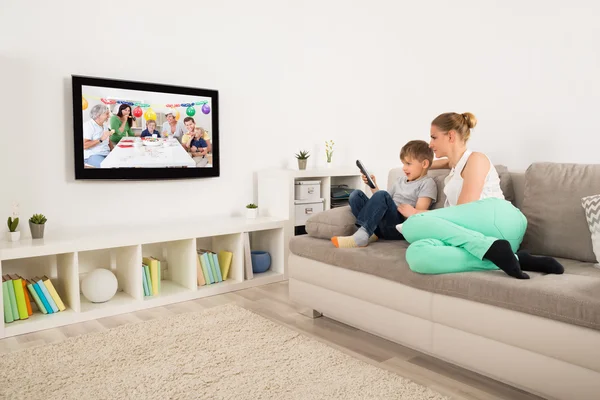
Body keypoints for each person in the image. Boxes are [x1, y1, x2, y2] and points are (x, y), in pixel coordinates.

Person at [401, 112, 564, 279]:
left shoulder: (476, 159)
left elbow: (464, 211)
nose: (430, 144)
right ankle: (511, 258)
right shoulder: (455, 165)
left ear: (450, 136)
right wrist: (418, 166)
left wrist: (416, 214)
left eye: (434, 137)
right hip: (480, 235)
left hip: (500, 220)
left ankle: (493, 249)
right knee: (417, 255)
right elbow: (443, 163)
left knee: (411, 226)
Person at [332, 140, 437, 248]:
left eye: (408, 164)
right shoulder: (400, 180)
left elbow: (418, 215)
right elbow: (382, 201)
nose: (404, 168)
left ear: (424, 164)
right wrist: (373, 185)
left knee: (382, 194)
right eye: (403, 163)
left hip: (398, 227)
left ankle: (362, 235)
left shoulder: (427, 183)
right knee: (355, 195)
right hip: (382, 224)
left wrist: (409, 212)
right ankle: (368, 232)